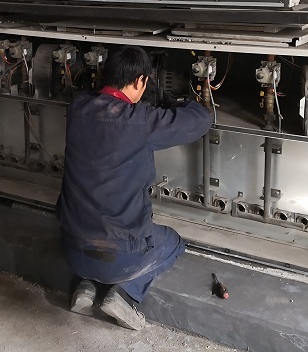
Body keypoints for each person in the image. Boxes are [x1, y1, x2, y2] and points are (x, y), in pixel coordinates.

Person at [56, 45, 212, 330]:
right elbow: (200, 121)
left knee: (94, 233)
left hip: (70, 247)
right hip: (121, 255)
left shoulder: (77, 108)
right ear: (140, 81)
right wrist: (174, 102)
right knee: (173, 242)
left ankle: (85, 288)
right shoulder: (140, 121)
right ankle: (125, 295)